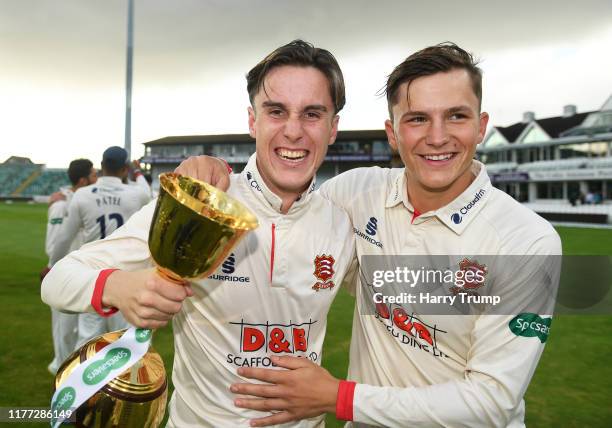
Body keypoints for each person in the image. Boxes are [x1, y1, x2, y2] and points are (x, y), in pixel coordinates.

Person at [176, 43, 562, 427]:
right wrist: (215, 172)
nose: (438, 136)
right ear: (393, 134)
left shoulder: (528, 242)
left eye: (456, 116)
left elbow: (491, 402)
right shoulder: (357, 193)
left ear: (480, 126)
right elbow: (282, 209)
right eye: (417, 119)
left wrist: (337, 397)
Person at [42, 40, 356, 427]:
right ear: (253, 120)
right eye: (276, 112)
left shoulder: (343, 223)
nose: (293, 131)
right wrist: (120, 287)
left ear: (333, 127)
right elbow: (58, 280)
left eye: (312, 114)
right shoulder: (203, 203)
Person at [48, 146, 152, 346]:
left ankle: (79, 377)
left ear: (102, 166)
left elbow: (64, 237)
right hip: (126, 277)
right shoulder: (136, 194)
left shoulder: (82, 195)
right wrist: (137, 171)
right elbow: (146, 191)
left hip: (93, 276)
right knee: (126, 342)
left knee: (87, 342)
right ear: (124, 169)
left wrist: (52, 264)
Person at [42, 158, 97, 374]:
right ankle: (60, 369)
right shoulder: (60, 205)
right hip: (62, 273)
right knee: (63, 327)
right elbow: (53, 245)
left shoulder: (85, 201)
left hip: (84, 272)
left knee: (82, 326)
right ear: (83, 180)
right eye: (93, 175)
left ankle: (75, 370)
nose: (97, 179)